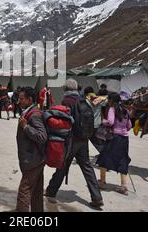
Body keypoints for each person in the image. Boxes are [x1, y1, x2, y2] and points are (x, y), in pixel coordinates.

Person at [45, 79, 104, 209]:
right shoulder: (83, 100)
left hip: (72, 139)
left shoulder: (67, 101)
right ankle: (97, 197)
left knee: (62, 164)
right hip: (84, 139)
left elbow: (66, 121)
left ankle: (51, 192)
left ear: (65, 89)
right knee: (87, 168)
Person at [15, 87, 47, 212]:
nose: (19, 101)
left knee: (24, 191)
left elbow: (42, 136)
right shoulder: (29, 112)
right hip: (37, 158)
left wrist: (26, 127)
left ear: (30, 99)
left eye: (22, 99)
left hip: (33, 159)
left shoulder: (34, 115)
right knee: (37, 191)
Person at [96, 93, 132, 195]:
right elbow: (129, 125)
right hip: (124, 138)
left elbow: (110, 122)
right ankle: (124, 186)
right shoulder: (125, 110)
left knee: (104, 157)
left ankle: (102, 182)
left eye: (109, 99)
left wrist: (103, 121)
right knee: (122, 159)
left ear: (111, 100)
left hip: (114, 137)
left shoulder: (112, 109)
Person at [84, 87, 107, 153]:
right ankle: (104, 153)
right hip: (97, 124)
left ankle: (104, 154)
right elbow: (105, 102)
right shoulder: (99, 100)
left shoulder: (85, 101)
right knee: (98, 141)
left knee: (85, 142)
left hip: (88, 124)